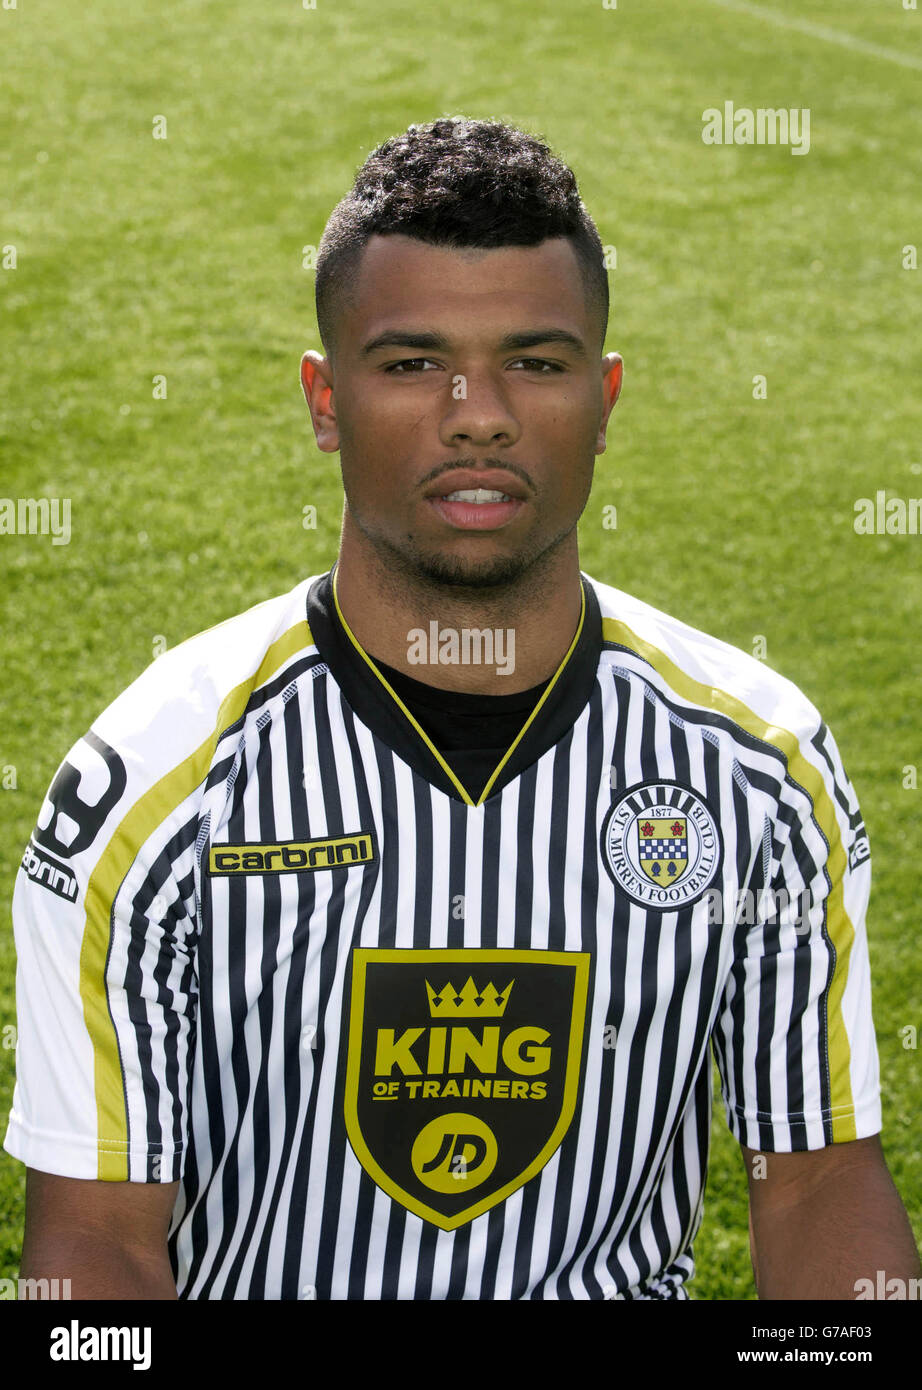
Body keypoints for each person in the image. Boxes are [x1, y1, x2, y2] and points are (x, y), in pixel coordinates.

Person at [7, 116, 919, 1301]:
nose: (476, 413)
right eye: (410, 363)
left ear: (605, 395)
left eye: (536, 363)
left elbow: (813, 1181)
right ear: (324, 401)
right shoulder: (150, 787)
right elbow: (93, 1247)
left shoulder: (759, 765)